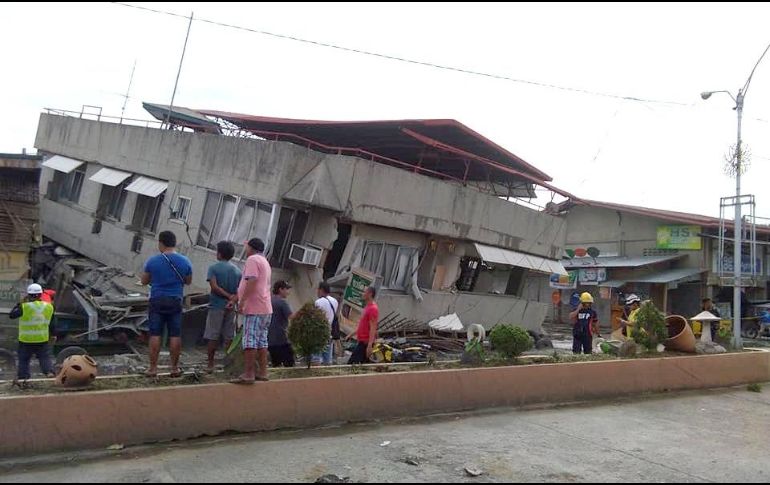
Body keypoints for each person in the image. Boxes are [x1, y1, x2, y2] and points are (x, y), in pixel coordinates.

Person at [141, 231, 192, 378]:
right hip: (175, 300)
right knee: (175, 334)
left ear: (161, 243)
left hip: (157, 299)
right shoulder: (185, 261)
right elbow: (188, 281)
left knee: (155, 333)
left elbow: (144, 281)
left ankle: (153, 368)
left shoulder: (152, 261)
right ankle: (174, 368)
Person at [233, 237, 272, 384]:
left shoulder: (253, 260)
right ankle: (263, 372)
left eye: (247, 247)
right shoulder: (264, 261)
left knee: (250, 340)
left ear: (251, 248)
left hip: (254, 306)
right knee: (262, 340)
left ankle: (249, 373)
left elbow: (252, 280)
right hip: (265, 306)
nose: (246, 249)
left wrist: (242, 301)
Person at [204, 241, 242, 373]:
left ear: (219, 254)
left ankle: (210, 364)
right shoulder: (237, 271)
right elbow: (240, 290)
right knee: (229, 336)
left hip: (216, 305)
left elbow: (214, 287)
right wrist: (232, 298)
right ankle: (228, 364)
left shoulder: (213, 268)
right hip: (231, 307)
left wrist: (226, 296)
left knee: (213, 335)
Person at [9, 284, 55, 381]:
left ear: (29, 295)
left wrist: (19, 303)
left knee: (24, 359)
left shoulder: (24, 307)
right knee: (44, 357)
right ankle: (49, 372)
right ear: (40, 295)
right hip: (42, 338)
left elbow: (12, 315)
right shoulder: (49, 307)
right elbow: (52, 323)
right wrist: (53, 334)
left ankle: (23, 378)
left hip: (26, 339)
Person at [348, 286, 379, 365]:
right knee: (359, 364)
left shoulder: (373, 309)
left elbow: (373, 328)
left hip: (365, 343)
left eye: (365, 292)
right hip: (361, 341)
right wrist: (351, 334)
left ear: (370, 294)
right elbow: (362, 325)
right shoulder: (367, 307)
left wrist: (369, 345)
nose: (363, 294)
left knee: (352, 363)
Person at [268, 280, 295, 368]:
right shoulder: (282, 302)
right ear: (280, 289)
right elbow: (291, 316)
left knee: (276, 365)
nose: (288, 292)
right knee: (289, 364)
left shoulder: (269, 300)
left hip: (270, 339)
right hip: (282, 339)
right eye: (286, 289)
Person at [313, 281, 339, 365]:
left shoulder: (318, 302)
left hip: (318, 334)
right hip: (329, 333)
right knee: (327, 360)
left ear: (321, 290)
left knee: (316, 359)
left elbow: (315, 318)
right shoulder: (335, 301)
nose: (317, 292)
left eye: (318, 289)